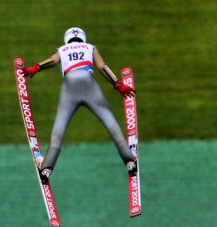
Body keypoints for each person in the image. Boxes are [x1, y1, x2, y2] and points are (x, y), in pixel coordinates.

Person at [22, 27, 137, 183]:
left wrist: (37, 66)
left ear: (66, 39)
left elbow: (53, 60)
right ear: (83, 38)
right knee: (109, 121)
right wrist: (118, 84)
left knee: (59, 127)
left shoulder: (62, 49)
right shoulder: (90, 47)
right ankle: (129, 160)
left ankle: (47, 167)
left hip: (70, 88)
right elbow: (102, 66)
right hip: (90, 86)